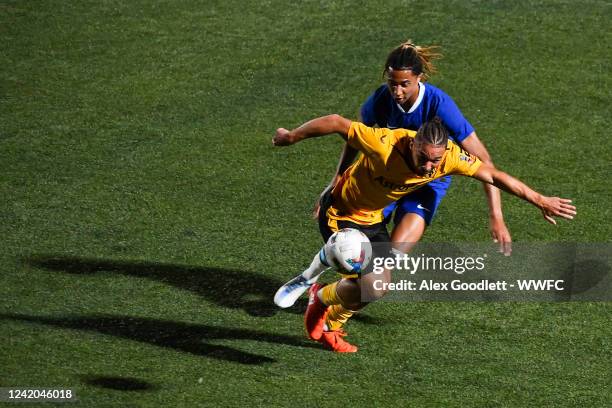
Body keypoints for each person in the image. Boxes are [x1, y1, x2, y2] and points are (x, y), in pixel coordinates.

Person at [272, 114, 576, 352]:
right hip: (340, 215)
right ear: (414, 144)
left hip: (372, 220)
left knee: (377, 287)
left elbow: (493, 174)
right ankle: (322, 283)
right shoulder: (384, 143)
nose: (430, 167)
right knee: (358, 268)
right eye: (424, 158)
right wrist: (292, 137)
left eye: (436, 160)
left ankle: (321, 297)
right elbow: (337, 123)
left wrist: (539, 199)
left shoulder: (449, 157)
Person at [316, 40, 512, 256]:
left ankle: (322, 289)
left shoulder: (439, 105)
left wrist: (496, 215)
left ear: (419, 78)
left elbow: (485, 163)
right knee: (354, 248)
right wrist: (338, 176)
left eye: (405, 84)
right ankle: (318, 278)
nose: (397, 91)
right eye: (392, 83)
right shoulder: (381, 99)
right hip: (385, 180)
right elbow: (355, 137)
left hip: (428, 182)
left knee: (393, 257)